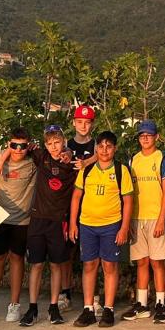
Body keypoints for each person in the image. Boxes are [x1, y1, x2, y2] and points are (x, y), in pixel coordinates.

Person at [69, 130, 134, 328]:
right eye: (101, 146)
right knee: (89, 265)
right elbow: (76, 197)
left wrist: (124, 227)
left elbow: (128, 201)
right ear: (96, 148)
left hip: (111, 225)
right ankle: (88, 308)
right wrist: (73, 223)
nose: (105, 150)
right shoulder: (87, 170)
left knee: (109, 266)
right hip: (87, 225)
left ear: (115, 148)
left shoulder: (121, 170)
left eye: (109, 146)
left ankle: (108, 309)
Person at [0, 130, 35, 323]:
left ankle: (14, 305)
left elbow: (59, 151)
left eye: (23, 146)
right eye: (14, 145)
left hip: (22, 221)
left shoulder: (33, 162)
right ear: (8, 145)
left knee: (17, 258)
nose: (18, 149)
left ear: (28, 146)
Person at [23, 126, 75, 325]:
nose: (54, 147)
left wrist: (69, 152)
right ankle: (32, 307)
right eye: (50, 143)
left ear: (63, 141)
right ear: (45, 144)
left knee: (56, 265)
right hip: (38, 218)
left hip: (58, 221)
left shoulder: (72, 165)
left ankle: (54, 307)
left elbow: (93, 157)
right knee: (36, 264)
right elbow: (17, 145)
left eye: (57, 142)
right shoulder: (41, 156)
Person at [124, 120, 165, 323]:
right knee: (141, 262)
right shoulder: (133, 160)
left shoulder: (161, 159)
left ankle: (161, 303)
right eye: (142, 135)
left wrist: (162, 219)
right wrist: (128, 221)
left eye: (149, 135)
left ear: (156, 137)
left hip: (155, 217)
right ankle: (142, 304)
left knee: (157, 262)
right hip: (137, 218)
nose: (145, 138)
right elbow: (128, 191)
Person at [63, 104, 98, 308]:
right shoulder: (66, 145)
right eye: (80, 122)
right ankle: (65, 292)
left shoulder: (97, 146)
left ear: (92, 124)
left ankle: (94, 296)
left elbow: (105, 155)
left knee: (93, 255)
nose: (83, 126)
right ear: (74, 123)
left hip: (91, 204)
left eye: (87, 122)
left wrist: (87, 162)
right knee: (66, 252)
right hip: (68, 204)